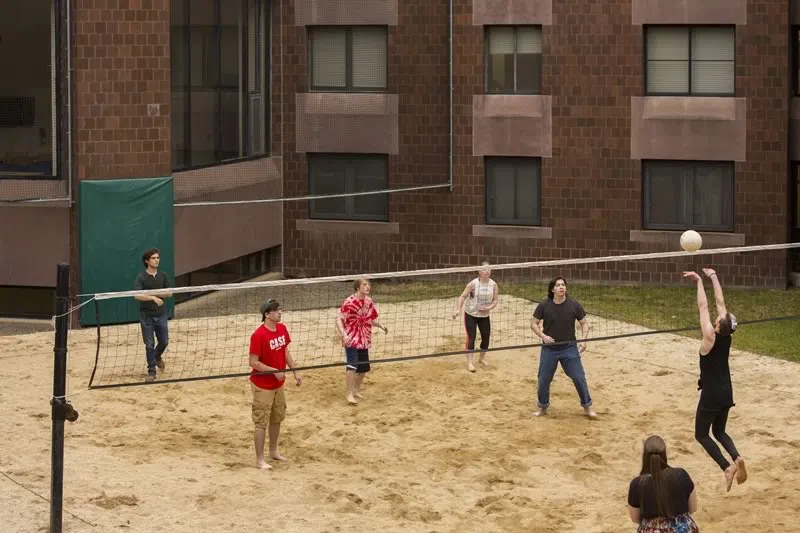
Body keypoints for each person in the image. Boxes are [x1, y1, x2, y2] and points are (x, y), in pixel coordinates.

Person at [683, 268, 747, 492]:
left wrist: (699, 281)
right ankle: (737, 457)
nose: (718, 315)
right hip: (726, 392)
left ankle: (727, 467)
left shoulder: (710, 336)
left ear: (718, 325)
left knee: (702, 434)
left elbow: (703, 306)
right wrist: (713, 276)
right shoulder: (727, 336)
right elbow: (720, 302)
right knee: (719, 432)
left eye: (719, 318)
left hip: (711, 394)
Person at [530, 276, 596, 418]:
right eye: (558, 285)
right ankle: (542, 407)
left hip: (569, 347)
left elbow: (584, 323)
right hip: (550, 348)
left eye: (563, 285)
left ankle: (587, 407)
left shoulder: (573, 304)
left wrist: (583, 340)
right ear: (552, 289)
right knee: (543, 379)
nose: (561, 287)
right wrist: (543, 336)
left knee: (579, 377)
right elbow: (533, 323)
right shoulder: (544, 305)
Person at [249, 299, 302, 470]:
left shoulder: (282, 329)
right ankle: (259, 460)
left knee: (277, 418)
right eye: (276, 310)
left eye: (279, 309)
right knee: (261, 422)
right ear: (267, 314)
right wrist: (273, 370)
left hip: (278, 384)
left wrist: (295, 370)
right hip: (262, 385)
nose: (280, 312)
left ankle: (273, 452)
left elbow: (285, 351)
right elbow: (253, 362)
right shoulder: (258, 335)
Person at [627, 435, 700, 533]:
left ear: (645, 457)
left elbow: (635, 519)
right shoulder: (681, 474)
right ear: (665, 454)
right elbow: (693, 508)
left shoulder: (637, 483)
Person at [336, 278, 388, 405]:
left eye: (368, 284)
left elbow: (371, 319)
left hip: (364, 339)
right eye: (364, 285)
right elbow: (338, 320)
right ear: (358, 287)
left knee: (364, 368)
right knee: (352, 366)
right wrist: (344, 335)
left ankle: (355, 390)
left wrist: (381, 326)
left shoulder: (368, 301)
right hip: (352, 339)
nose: (367, 287)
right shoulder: (349, 302)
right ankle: (348, 394)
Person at [133, 248, 172, 383]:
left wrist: (156, 294)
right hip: (146, 316)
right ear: (147, 261)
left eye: (158, 258)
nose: (157, 260)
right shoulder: (141, 277)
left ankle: (157, 357)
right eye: (154, 258)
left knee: (164, 341)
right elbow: (137, 295)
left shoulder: (163, 276)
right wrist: (152, 298)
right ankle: (151, 372)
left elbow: (169, 293)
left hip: (161, 314)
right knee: (149, 344)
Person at [452, 261, 499, 372]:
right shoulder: (473, 284)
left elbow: (496, 300)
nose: (487, 271)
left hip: (484, 315)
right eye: (484, 269)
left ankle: (481, 359)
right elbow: (462, 297)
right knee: (471, 338)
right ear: (479, 271)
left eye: (488, 269)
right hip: (471, 314)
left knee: (486, 337)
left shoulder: (493, 284)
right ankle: (469, 363)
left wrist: (489, 308)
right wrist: (458, 309)